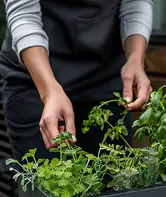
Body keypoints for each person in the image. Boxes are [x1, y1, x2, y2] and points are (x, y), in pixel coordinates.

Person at [0, 0, 154, 162]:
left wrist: (135, 60)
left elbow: (136, 2)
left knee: (112, 177)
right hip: (34, 79)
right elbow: (24, 15)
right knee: (42, 179)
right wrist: (49, 91)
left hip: (103, 75)